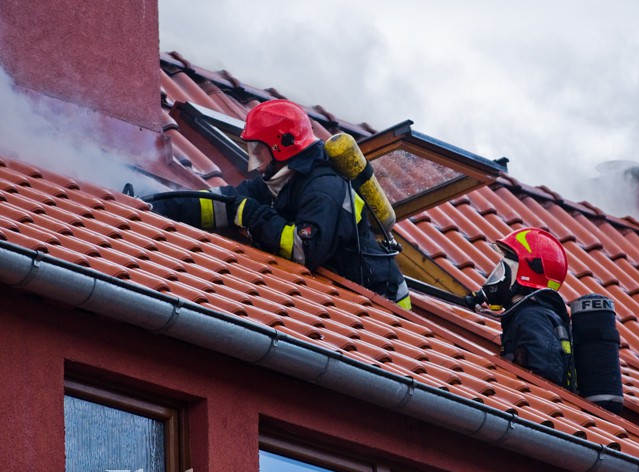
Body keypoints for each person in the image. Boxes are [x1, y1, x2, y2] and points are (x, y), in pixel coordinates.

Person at [151, 99, 410, 309]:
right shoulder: (282, 177)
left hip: (383, 305)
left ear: (281, 146)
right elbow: (222, 202)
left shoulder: (324, 188)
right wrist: (160, 204)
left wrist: (254, 216)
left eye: (259, 151)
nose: (256, 161)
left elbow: (303, 251)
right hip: (342, 294)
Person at [471, 227, 576, 391]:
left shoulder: (532, 318)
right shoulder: (536, 315)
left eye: (507, 266)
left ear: (528, 273)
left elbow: (543, 385)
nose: (499, 274)